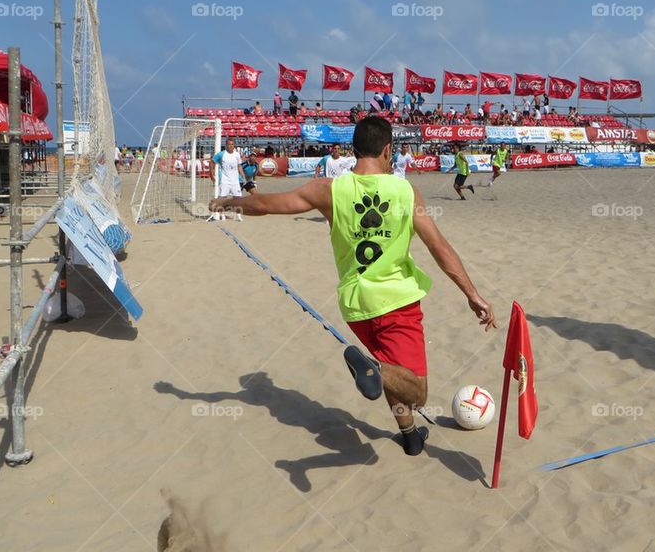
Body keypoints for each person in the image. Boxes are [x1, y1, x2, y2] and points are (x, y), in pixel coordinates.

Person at [210, 116, 496, 456]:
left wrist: (229, 202)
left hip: (356, 305)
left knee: (391, 372)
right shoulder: (404, 190)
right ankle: (374, 371)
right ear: (388, 149)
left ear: (353, 149)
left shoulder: (327, 189)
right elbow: (439, 247)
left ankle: (409, 434)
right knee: (416, 391)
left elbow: (268, 205)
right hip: (396, 302)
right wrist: (472, 293)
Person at [211, 138, 247, 202]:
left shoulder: (237, 154)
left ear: (234, 145)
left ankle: (237, 211)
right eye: (229, 144)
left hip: (235, 181)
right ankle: (217, 211)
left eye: (232, 144)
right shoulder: (221, 154)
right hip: (224, 181)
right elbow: (212, 162)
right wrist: (212, 173)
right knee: (222, 198)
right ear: (226, 145)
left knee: (238, 199)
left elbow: (239, 166)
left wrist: (243, 177)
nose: (230, 146)